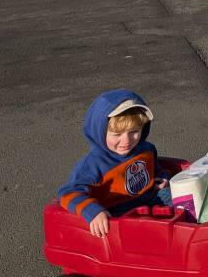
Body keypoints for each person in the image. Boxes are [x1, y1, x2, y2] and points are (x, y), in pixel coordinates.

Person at [57, 90, 172, 238]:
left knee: (182, 199)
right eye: (117, 134)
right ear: (100, 131)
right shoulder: (93, 164)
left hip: (150, 197)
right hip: (117, 211)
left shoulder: (145, 149)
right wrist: (93, 211)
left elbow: (155, 169)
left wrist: (163, 178)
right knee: (128, 232)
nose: (127, 140)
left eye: (134, 131)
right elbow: (68, 193)